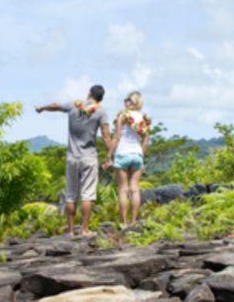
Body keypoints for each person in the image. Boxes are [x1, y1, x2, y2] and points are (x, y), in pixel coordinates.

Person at [35, 85, 113, 235]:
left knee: (70, 196)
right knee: (88, 194)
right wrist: (109, 156)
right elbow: (106, 135)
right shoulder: (101, 112)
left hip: (72, 157)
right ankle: (84, 229)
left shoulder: (74, 105)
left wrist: (42, 108)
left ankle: (70, 231)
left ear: (89, 93)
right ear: (101, 98)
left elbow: (55, 106)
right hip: (89, 157)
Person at [106, 90, 150, 227]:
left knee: (123, 189)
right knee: (135, 188)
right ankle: (134, 221)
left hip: (122, 153)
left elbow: (117, 137)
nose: (125, 102)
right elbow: (145, 140)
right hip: (137, 154)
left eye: (128, 100)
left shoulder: (122, 116)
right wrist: (141, 155)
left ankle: (124, 223)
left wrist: (109, 155)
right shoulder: (145, 119)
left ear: (134, 102)